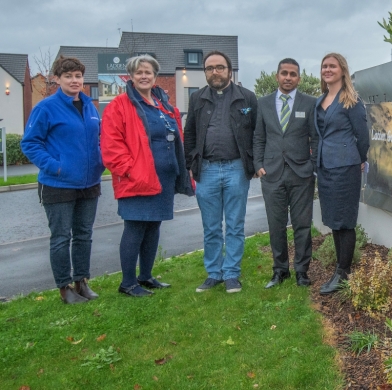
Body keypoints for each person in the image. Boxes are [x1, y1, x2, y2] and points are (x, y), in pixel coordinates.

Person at [101, 55, 194, 297]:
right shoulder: (119, 105)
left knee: (153, 226)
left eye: (148, 72)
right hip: (137, 178)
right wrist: (130, 170)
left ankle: (146, 276)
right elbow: (111, 146)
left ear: (155, 76)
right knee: (135, 227)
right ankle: (128, 283)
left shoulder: (163, 104)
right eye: (139, 72)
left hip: (163, 178)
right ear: (131, 76)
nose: (144, 76)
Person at [21, 56, 105, 304]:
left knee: (83, 235)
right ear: (57, 79)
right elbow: (30, 143)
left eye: (78, 76)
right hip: (57, 184)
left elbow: (98, 140)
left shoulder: (90, 107)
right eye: (68, 76)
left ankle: (81, 282)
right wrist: (55, 167)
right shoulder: (45, 108)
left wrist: (100, 162)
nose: (74, 80)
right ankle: (64, 287)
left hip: (89, 183)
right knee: (60, 238)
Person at [184, 51, 258, 293]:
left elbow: (257, 133)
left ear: (229, 70)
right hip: (206, 170)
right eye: (209, 68)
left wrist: (255, 163)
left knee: (235, 224)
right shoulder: (197, 98)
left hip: (237, 168)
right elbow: (190, 134)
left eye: (219, 67)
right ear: (205, 72)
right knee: (212, 226)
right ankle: (214, 273)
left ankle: (232, 274)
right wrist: (190, 165)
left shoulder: (247, 97)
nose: (214, 72)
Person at [254, 58, 318, 288]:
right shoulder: (263, 103)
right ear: (277, 76)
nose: (288, 77)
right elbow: (259, 137)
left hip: (302, 173)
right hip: (271, 173)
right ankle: (280, 270)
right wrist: (258, 164)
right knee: (276, 225)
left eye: (293, 74)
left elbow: (315, 137)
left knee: (302, 224)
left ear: (299, 78)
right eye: (284, 73)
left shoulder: (310, 103)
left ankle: (302, 271)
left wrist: (313, 164)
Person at [314, 53, 370, 295]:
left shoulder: (352, 101)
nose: (327, 70)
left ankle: (344, 273)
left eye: (332, 66)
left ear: (342, 70)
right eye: (324, 66)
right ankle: (340, 269)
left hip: (346, 168)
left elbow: (363, 136)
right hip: (325, 168)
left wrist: (356, 159)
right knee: (335, 220)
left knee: (345, 221)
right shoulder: (321, 100)